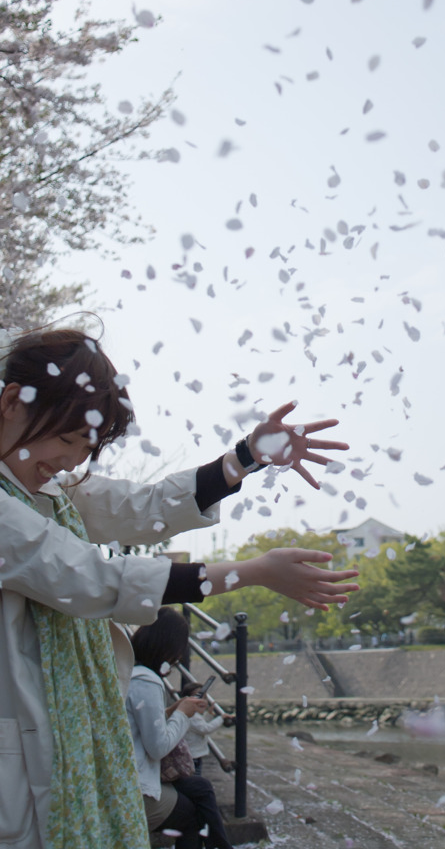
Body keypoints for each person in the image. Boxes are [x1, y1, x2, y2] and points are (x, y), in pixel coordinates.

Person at [0, 324, 359, 849]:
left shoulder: (42, 486)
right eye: (70, 439)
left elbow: (139, 508)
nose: (75, 461)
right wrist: (253, 571)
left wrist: (245, 458)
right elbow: (92, 579)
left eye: (88, 446)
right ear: (13, 401)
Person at [126, 609, 232, 848]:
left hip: (132, 774)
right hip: (136, 787)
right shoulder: (147, 681)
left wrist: (173, 710)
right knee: (191, 814)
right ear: (171, 648)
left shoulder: (131, 673)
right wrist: (183, 714)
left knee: (201, 787)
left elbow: (138, 724)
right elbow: (158, 747)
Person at [180, 682, 230, 776]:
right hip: (192, 757)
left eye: (205, 697)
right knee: (194, 779)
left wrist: (209, 715)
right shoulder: (192, 716)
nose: (202, 700)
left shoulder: (192, 714)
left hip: (192, 755)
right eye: (198, 697)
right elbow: (206, 728)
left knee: (194, 779)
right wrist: (221, 718)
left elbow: (200, 725)